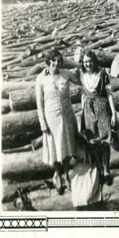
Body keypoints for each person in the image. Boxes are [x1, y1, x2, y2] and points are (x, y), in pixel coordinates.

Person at [35, 49, 78, 194]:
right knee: (54, 145)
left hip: (67, 114)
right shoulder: (41, 78)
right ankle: (57, 174)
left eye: (59, 61)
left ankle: (66, 174)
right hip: (51, 116)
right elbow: (39, 102)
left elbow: (79, 78)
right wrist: (42, 122)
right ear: (48, 62)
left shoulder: (65, 74)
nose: (56, 64)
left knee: (67, 144)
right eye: (53, 61)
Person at [79, 50, 117, 186]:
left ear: (94, 61)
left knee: (105, 140)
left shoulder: (102, 74)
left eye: (90, 61)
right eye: (85, 62)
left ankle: (107, 170)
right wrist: (81, 111)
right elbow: (83, 94)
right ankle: (100, 170)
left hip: (103, 108)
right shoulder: (82, 75)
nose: (88, 64)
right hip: (89, 110)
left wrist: (114, 113)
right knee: (93, 141)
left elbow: (109, 94)